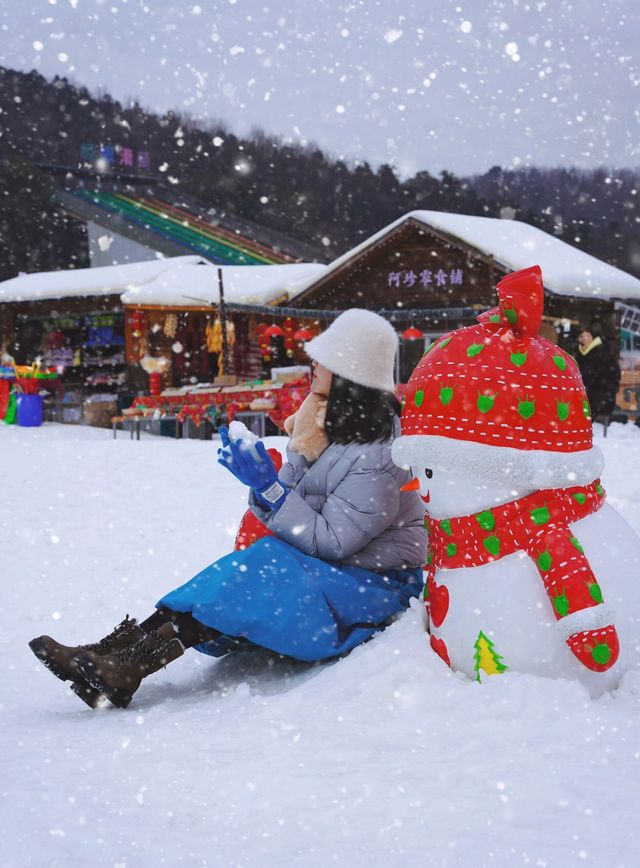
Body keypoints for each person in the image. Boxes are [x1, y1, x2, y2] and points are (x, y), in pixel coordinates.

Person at [29, 309, 429, 710]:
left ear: (348, 371)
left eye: (324, 358)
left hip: (375, 586)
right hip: (327, 567)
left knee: (262, 564)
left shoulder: (379, 454)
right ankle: (112, 655)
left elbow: (333, 540)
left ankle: (125, 668)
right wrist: (262, 483)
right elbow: (288, 502)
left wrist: (269, 488)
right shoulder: (320, 422)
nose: (314, 363)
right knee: (244, 568)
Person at [575, 323, 621, 417]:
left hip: (599, 397)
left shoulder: (601, 352)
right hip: (587, 396)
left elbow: (604, 376)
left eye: (587, 335)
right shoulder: (581, 352)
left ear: (593, 336)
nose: (584, 338)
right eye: (581, 336)